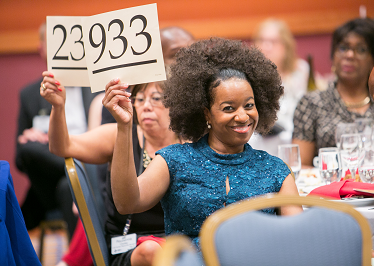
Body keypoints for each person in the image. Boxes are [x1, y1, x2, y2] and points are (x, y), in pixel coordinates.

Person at [105, 38, 303, 251]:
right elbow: (127, 203)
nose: (243, 116)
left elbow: (298, 240)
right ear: (206, 113)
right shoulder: (173, 161)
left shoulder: (275, 170)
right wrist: (124, 127)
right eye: (229, 108)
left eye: (249, 105)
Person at [53, 26, 195, 266]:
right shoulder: (119, 136)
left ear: (176, 105)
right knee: (151, 251)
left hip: (179, 241)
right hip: (132, 243)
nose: (146, 106)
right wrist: (58, 108)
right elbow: (62, 146)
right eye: (140, 99)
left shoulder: (191, 142)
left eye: (157, 99)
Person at [15, 22, 98, 237]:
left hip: (92, 158)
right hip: (52, 173)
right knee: (28, 148)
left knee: (66, 186)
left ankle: (74, 262)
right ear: (41, 49)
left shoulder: (96, 86)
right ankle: (78, 173)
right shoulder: (29, 95)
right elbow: (20, 159)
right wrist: (33, 137)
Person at [292, 18, 374, 167]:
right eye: (343, 48)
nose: (350, 55)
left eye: (361, 49)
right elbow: (301, 166)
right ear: (333, 55)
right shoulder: (312, 103)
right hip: (328, 186)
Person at [249, 18, 309, 156]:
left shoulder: (301, 71)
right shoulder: (248, 76)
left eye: (273, 42)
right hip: (259, 138)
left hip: (294, 136)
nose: (267, 46)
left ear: (286, 46)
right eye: (262, 41)